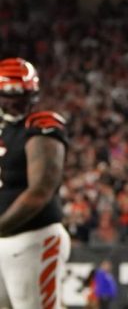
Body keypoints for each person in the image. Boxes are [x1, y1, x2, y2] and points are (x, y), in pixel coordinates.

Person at [0, 58, 70, 309]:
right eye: (8, 94)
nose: (15, 101)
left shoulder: (41, 125)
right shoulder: (5, 130)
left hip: (33, 237)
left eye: (23, 94)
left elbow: (40, 190)